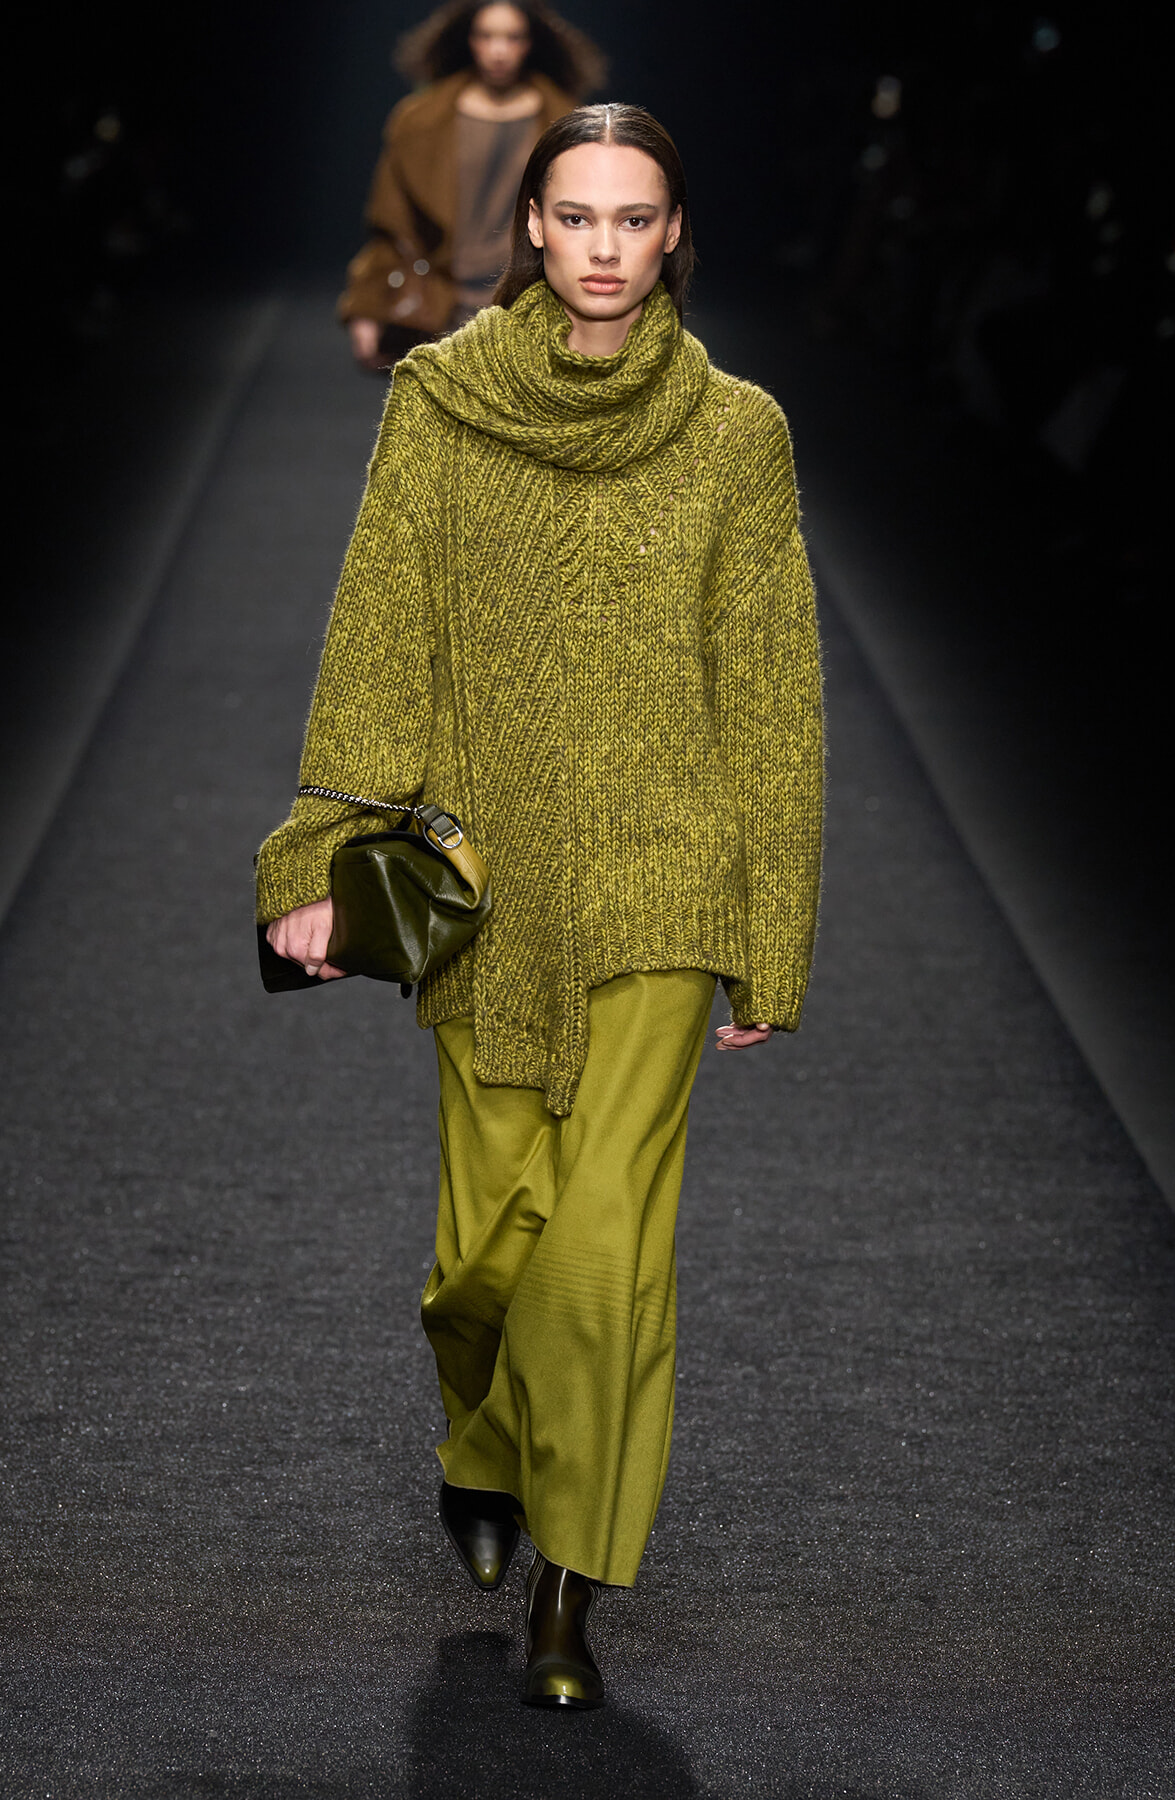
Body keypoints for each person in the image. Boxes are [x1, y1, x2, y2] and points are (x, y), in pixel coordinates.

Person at [259, 103, 824, 1708]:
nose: (602, 249)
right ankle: (483, 1441)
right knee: (485, 1262)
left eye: (633, 220)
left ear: (674, 233)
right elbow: (383, 630)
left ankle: (571, 1589)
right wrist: (319, 849)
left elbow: (770, 692)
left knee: (600, 1256)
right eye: (575, 217)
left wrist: (771, 928)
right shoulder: (441, 402)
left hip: (665, 885)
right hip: (486, 888)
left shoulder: (738, 433)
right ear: (530, 228)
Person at [341, 0, 604, 369]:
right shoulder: (419, 122)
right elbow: (391, 225)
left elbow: (593, 221)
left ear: (531, 43)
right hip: (441, 308)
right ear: (468, 40)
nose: (499, 51)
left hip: (533, 308)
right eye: (486, 36)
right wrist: (368, 308)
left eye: (513, 38)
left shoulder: (567, 124)